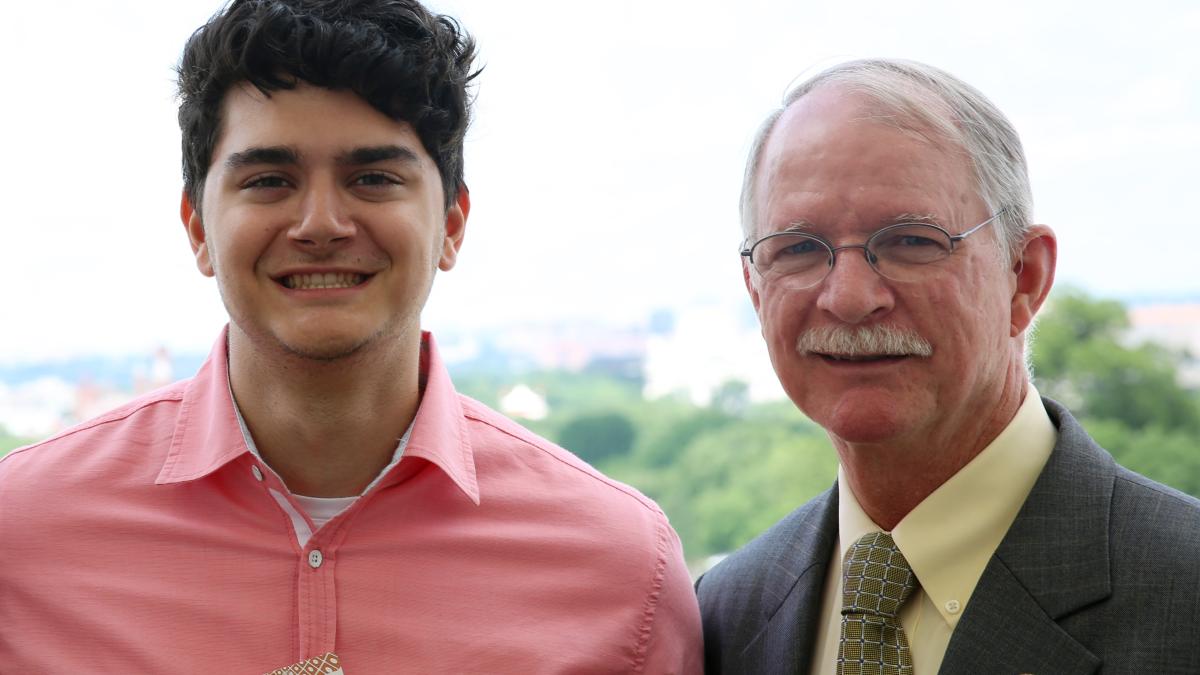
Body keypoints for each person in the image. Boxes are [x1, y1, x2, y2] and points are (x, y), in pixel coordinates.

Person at [0, 1, 701, 671]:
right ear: (198, 228)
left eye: (372, 177)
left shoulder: (621, 570)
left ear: (451, 225)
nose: (321, 224)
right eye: (269, 180)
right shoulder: (20, 541)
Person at [695, 58, 1200, 674]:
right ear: (755, 289)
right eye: (798, 249)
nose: (849, 298)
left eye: (910, 241)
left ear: (1025, 278)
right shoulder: (726, 616)